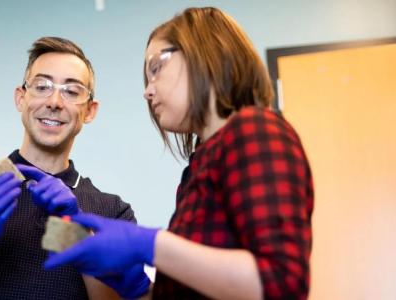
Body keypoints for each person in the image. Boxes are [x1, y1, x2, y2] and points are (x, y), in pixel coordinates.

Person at [42, 7, 314, 300]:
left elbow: (281, 283)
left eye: (156, 68)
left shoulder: (254, 131)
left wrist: (149, 244)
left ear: (207, 55)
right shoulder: (197, 167)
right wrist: (138, 288)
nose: (148, 91)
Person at [0, 36, 148, 299]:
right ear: (20, 98)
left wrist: (76, 233)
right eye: (42, 86)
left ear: (90, 111)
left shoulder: (112, 212)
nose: (55, 102)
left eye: (71, 91)